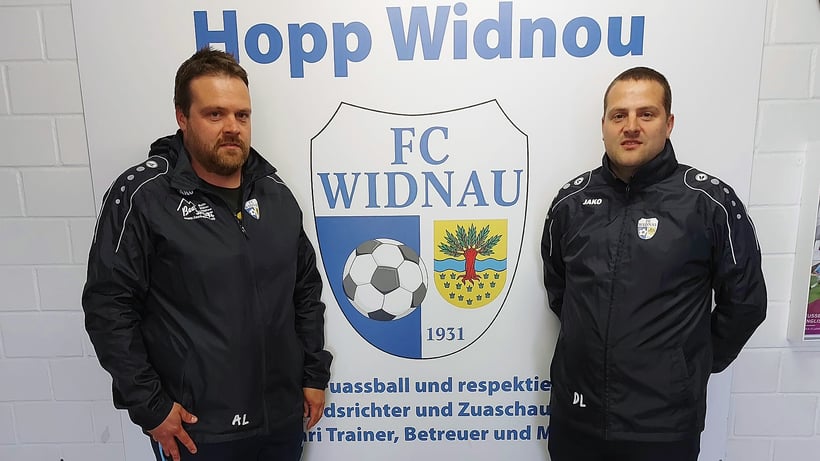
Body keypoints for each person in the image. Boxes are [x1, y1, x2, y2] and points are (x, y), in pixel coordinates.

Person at [82, 48, 332, 461]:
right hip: (198, 431)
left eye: (241, 115)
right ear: (182, 117)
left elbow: (304, 291)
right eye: (215, 114)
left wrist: (313, 375)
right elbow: (108, 306)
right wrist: (151, 406)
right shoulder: (144, 196)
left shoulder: (276, 195)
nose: (232, 127)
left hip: (280, 422)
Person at [541, 66, 766, 461]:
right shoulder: (571, 203)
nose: (631, 126)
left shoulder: (708, 203)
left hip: (664, 429)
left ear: (669, 123)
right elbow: (561, 292)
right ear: (604, 125)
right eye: (619, 115)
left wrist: (688, 366)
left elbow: (745, 303)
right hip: (576, 418)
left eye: (646, 114)